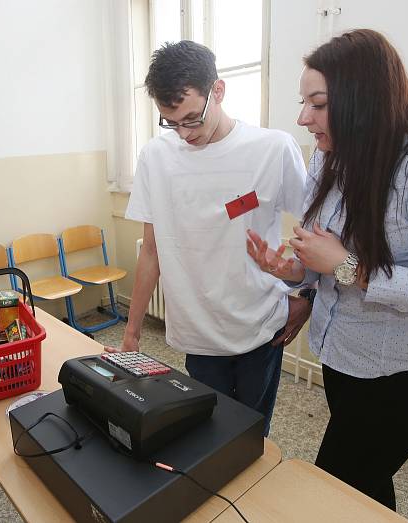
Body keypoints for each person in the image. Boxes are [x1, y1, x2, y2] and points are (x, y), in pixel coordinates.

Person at [246, 29, 408, 510]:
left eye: (317, 104)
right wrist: (293, 273)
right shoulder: (330, 158)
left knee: (337, 484)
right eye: (303, 102)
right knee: (365, 478)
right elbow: (320, 254)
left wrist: (347, 267)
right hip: (347, 351)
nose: (303, 118)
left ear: (363, 97)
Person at [107, 40, 311, 437]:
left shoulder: (272, 149)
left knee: (252, 434)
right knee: (208, 433)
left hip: (260, 326)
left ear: (217, 91)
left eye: (191, 119)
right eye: (171, 122)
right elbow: (151, 251)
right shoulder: (155, 157)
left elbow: (318, 233)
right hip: (196, 331)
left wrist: (308, 298)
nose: (184, 134)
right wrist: (131, 335)